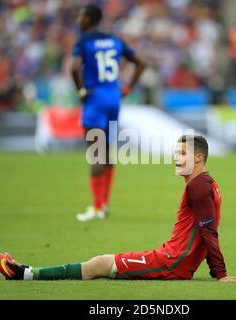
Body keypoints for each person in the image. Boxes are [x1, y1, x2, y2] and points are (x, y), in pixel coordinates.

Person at [0, 135, 236, 282]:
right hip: (173, 258)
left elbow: (208, 232)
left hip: (170, 262)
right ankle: (27, 272)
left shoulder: (197, 187)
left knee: (99, 264)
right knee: (102, 263)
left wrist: (220, 274)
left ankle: (25, 274)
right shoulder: (207, 184)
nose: (175, 158)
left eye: (182, 153)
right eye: (176, 152)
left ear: (198, 158)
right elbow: (206, 230)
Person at [72, 4, 146, 222]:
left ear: (89, 19)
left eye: (81, 15)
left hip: (95, 99)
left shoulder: (84, 41)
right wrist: (129, 88)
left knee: (96, 154)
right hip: (114, 98)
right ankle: (103, 204)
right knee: (107, 152)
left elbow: (74, 68)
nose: (78, 20)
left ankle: (96, 208)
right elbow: (141, 63)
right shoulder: (115, 40)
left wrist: (81, 90)